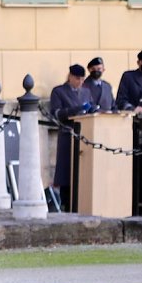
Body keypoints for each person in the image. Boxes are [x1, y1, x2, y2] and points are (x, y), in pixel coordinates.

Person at [49, 64, 95, 211]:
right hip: (68, 136)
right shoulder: (59, 91)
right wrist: (77, 110)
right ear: (70, 77)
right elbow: (56, 113)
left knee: (83, 174)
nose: (80, 82)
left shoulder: (86, 92)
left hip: (85, 135)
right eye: (77, 79)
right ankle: (66, 204)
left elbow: (92, 107)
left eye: (82, 79)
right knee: (66, 174)